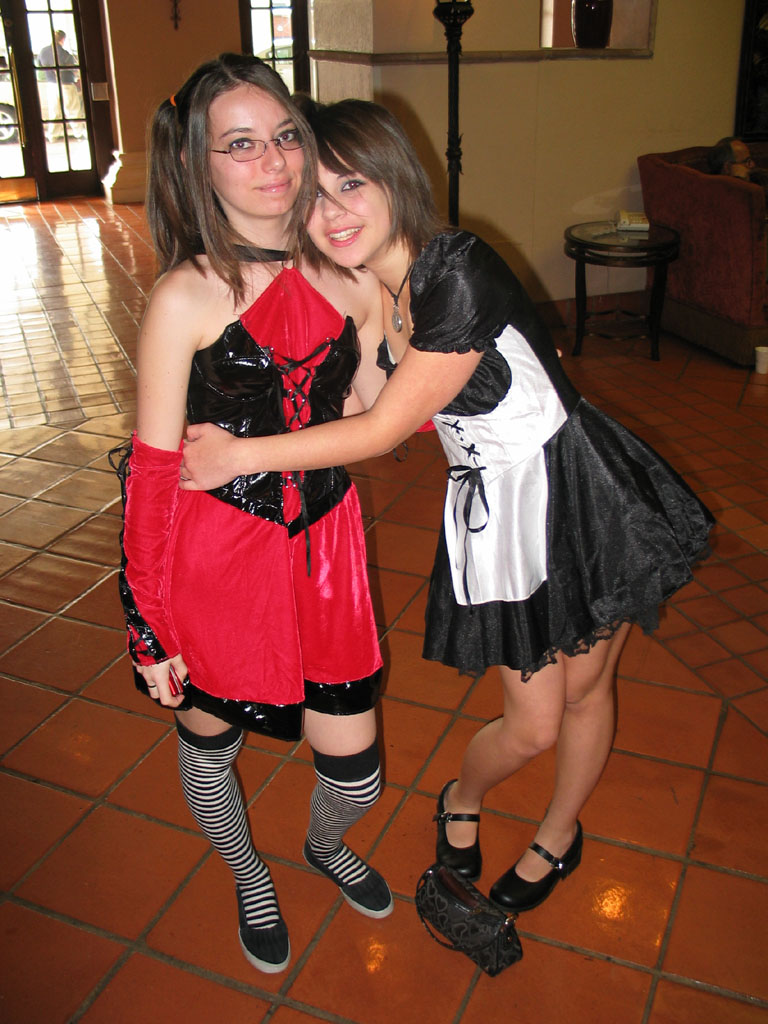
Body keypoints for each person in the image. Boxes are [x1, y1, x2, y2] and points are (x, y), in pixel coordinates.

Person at [179, 98, 714, 917]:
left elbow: (383, 428)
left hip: (577, 493)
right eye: (313, 196)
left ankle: (558, 833)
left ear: (394, 177)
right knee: (532, 725)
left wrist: (238, 457)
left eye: (351, 184)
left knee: (583, 693)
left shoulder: (455, 268)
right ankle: (462, 796)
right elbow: (356, 402)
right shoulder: (374, 288)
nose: (333, 212)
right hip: (498, 513)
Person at [115, 59, 393, 977]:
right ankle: (248, 873)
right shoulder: (185, 296)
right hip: (218, 561)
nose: (271, 161)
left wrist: (409, 314)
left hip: (326, 554)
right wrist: (148, 623)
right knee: (212, 743)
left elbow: (377, 420)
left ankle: (323, 841)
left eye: (284, 136)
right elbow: (153, 478)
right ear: (197, 164)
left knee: (357, 771)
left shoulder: (352, 277)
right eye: (239, 144)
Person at [37, 30, 84, 138]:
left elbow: (40, 66)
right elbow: (74, 70)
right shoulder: (65, 54)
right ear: (63, 39)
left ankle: (53, 135)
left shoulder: (43, 52)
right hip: (66, 85)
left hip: (51, 85)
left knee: (54, 112)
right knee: (73, 110)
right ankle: (78, 133)